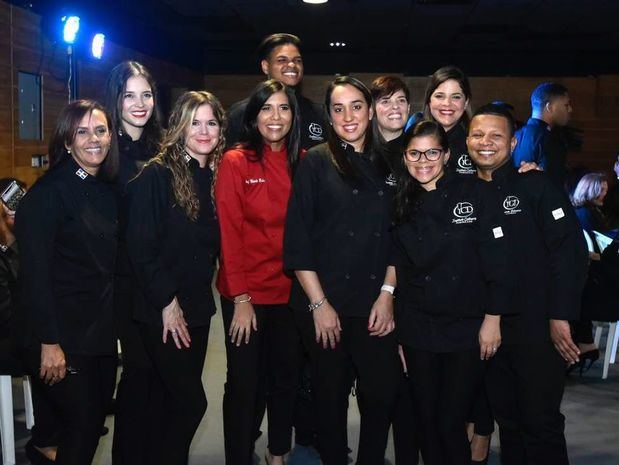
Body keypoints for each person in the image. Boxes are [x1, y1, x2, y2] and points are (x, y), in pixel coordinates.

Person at [284, 76, 400, 465]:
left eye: (356, 106)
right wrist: (320, 305)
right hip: (323, 301)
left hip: (374, 301)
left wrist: (387, 295)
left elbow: (399, 238)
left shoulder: (391, 163)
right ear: (330, 119)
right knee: (329, 395)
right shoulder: (315, 161)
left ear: (370, 112)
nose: (348, 116)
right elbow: (297, 240)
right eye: (338, 109)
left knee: (381, 391)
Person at [466, 103, 588, 465]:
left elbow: (570, 252)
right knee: (509, 421)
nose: (485, 142)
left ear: (514, 141)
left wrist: (561, 315)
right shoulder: (462, 192)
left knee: (540, 421)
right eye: (477, 134)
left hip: (536, 326)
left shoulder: (535, 185)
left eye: (496, 135)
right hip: (486, 328)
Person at [391, 120, 510, 465]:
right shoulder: (401, 201)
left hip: (466, 327)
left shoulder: (475, 193)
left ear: (445, 155)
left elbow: (498, 263)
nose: (422, 160)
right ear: (405, 156)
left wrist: (493, 319)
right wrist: (400, 333)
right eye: (414, 153)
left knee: (449, 421)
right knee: (425, 421)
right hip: (417, 327)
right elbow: (401, 269)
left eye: (431, 152)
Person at [15, 99, 119, 465]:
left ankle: (42, 451)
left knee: (90, 423)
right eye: (83, 131)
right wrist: (49, 343)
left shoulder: (105, 189)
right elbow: (34, 278)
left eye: (101, 130)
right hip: (59, 337)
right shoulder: (48, 196)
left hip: (98, 334)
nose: (94, 139)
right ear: (67, 140)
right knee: (84, 425)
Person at [125, 91, 224, 465]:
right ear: (179, 127)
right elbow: (141, 247)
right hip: (163, 311)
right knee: (191, 402)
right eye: (194, 122)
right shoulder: (156, 174)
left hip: (198, 310)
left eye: (211, 122)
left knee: (171, 405)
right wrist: (168, 303)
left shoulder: (213, 176)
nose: (203, 130)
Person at [215, 79, 301, 465]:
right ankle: (239, 454)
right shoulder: (236, 161)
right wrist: (241, 299)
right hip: (246, 292)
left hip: (291, 293)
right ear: (253, 116)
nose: (275, 117)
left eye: (283, 108)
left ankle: (278, 451)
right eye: (267, 108)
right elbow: (228, 235)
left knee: (285, 380)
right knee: (244, 385)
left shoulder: (303, 161)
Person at [104, 60, 163, 465]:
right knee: (138, 375)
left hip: (159, 277)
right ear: (116, 99)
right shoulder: (104, 148)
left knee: (160, 378)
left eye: (146, 94)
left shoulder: (162, 147)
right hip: (122, 280)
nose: (139, 103)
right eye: (129, 95)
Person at [370, 75, 419, 465]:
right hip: (361, 283)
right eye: (384, 101)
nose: (394, 108)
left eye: (401, 100)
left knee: (405, 386)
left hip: (406, 281)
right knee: (375, 388)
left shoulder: (416, 153)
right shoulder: (359, 153)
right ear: (372, 109)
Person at [226, 33, 325, 150]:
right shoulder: (241, 113)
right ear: (266, 67)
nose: (292, 64)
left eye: (297, 60)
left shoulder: (319, 113)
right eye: (282, 60)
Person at [512, 82, 573, 189]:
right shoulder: (551, 140)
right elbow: (554, 186)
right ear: (549, 107)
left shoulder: (514, 135)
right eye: (566, 105)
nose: (570, 110)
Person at [422, 66, 476, 177]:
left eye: (456, 97)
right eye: (439, 96)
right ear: (429, 101)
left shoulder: (478, 143)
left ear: (466, 102)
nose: (447, 103)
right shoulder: (413, 141)